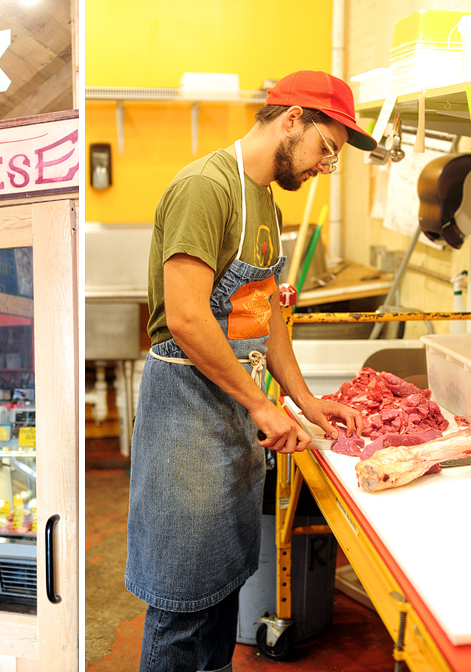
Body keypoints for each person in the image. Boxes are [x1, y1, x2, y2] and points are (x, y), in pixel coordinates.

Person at [125, 70, 375, 672]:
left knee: (222, 590)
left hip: (232, 414)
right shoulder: (206, 188)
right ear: (293, 119)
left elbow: (267, 325)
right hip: (186, 408)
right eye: (328, 149)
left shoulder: (265, 202)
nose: (324, 165)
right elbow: (187, 318)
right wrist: (262, 406)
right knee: (182, 602)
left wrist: (305, 403)